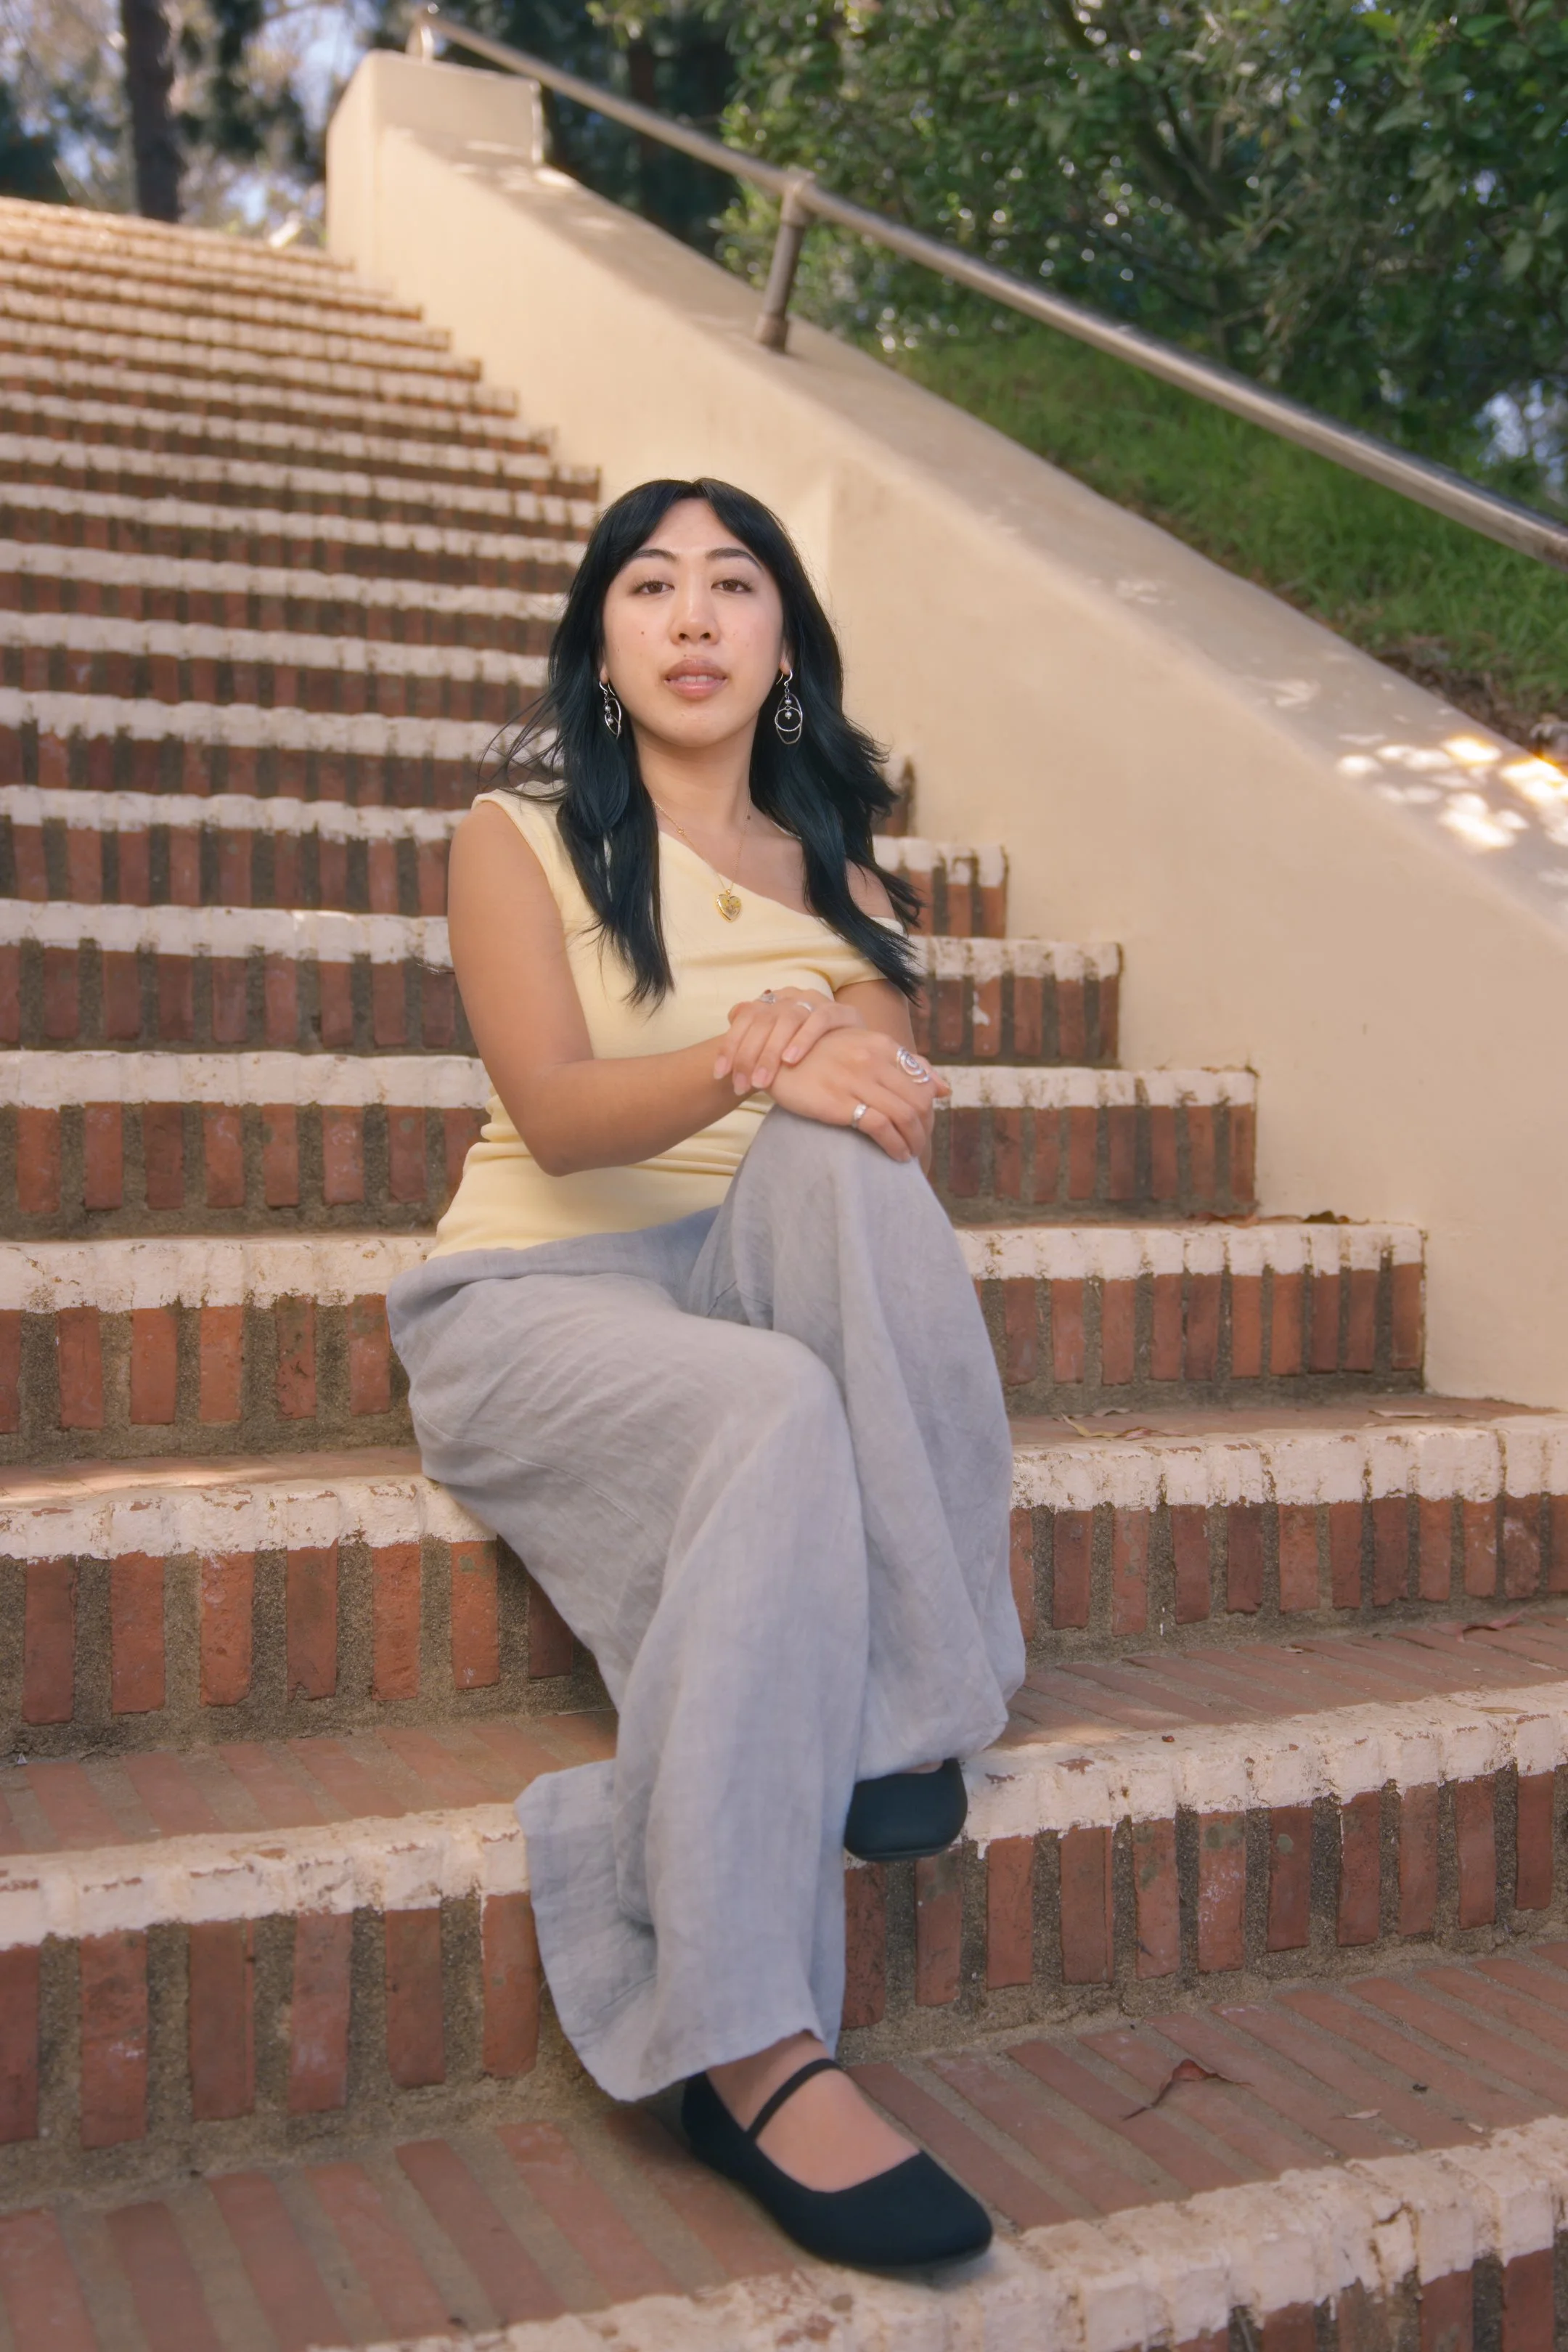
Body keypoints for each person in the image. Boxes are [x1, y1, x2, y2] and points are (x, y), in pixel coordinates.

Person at [386, 477, 1025, 2272]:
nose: (690, 616)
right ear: (602, 644)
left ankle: (901, 1699)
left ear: (784, 652)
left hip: (742, 1271)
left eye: (733, 585)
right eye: (649, 585)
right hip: (536, 1292)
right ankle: (746, 2042)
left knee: (854, 1159)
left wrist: (826, 1062)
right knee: (775, 1402)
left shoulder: (854, 883)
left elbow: (887, 1108)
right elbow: (559, 1112)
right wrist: (751, 1063)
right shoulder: (515, 836)